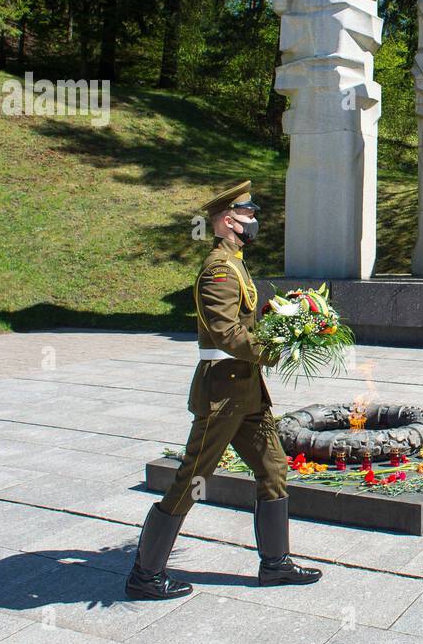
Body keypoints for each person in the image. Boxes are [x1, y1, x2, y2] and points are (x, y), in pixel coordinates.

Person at [126, 181, 322, 599]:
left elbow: (241, 317)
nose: (255, 221)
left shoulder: (235, 261)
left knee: (272, 468)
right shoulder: (218, 267)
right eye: (249, 215)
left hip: (246, 393)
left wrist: (283, 315)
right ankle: (145, 576)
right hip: (223, 394)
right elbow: (224, 331)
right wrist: (273, 348)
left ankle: (275, 565)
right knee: (191, 478)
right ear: (229, 221)